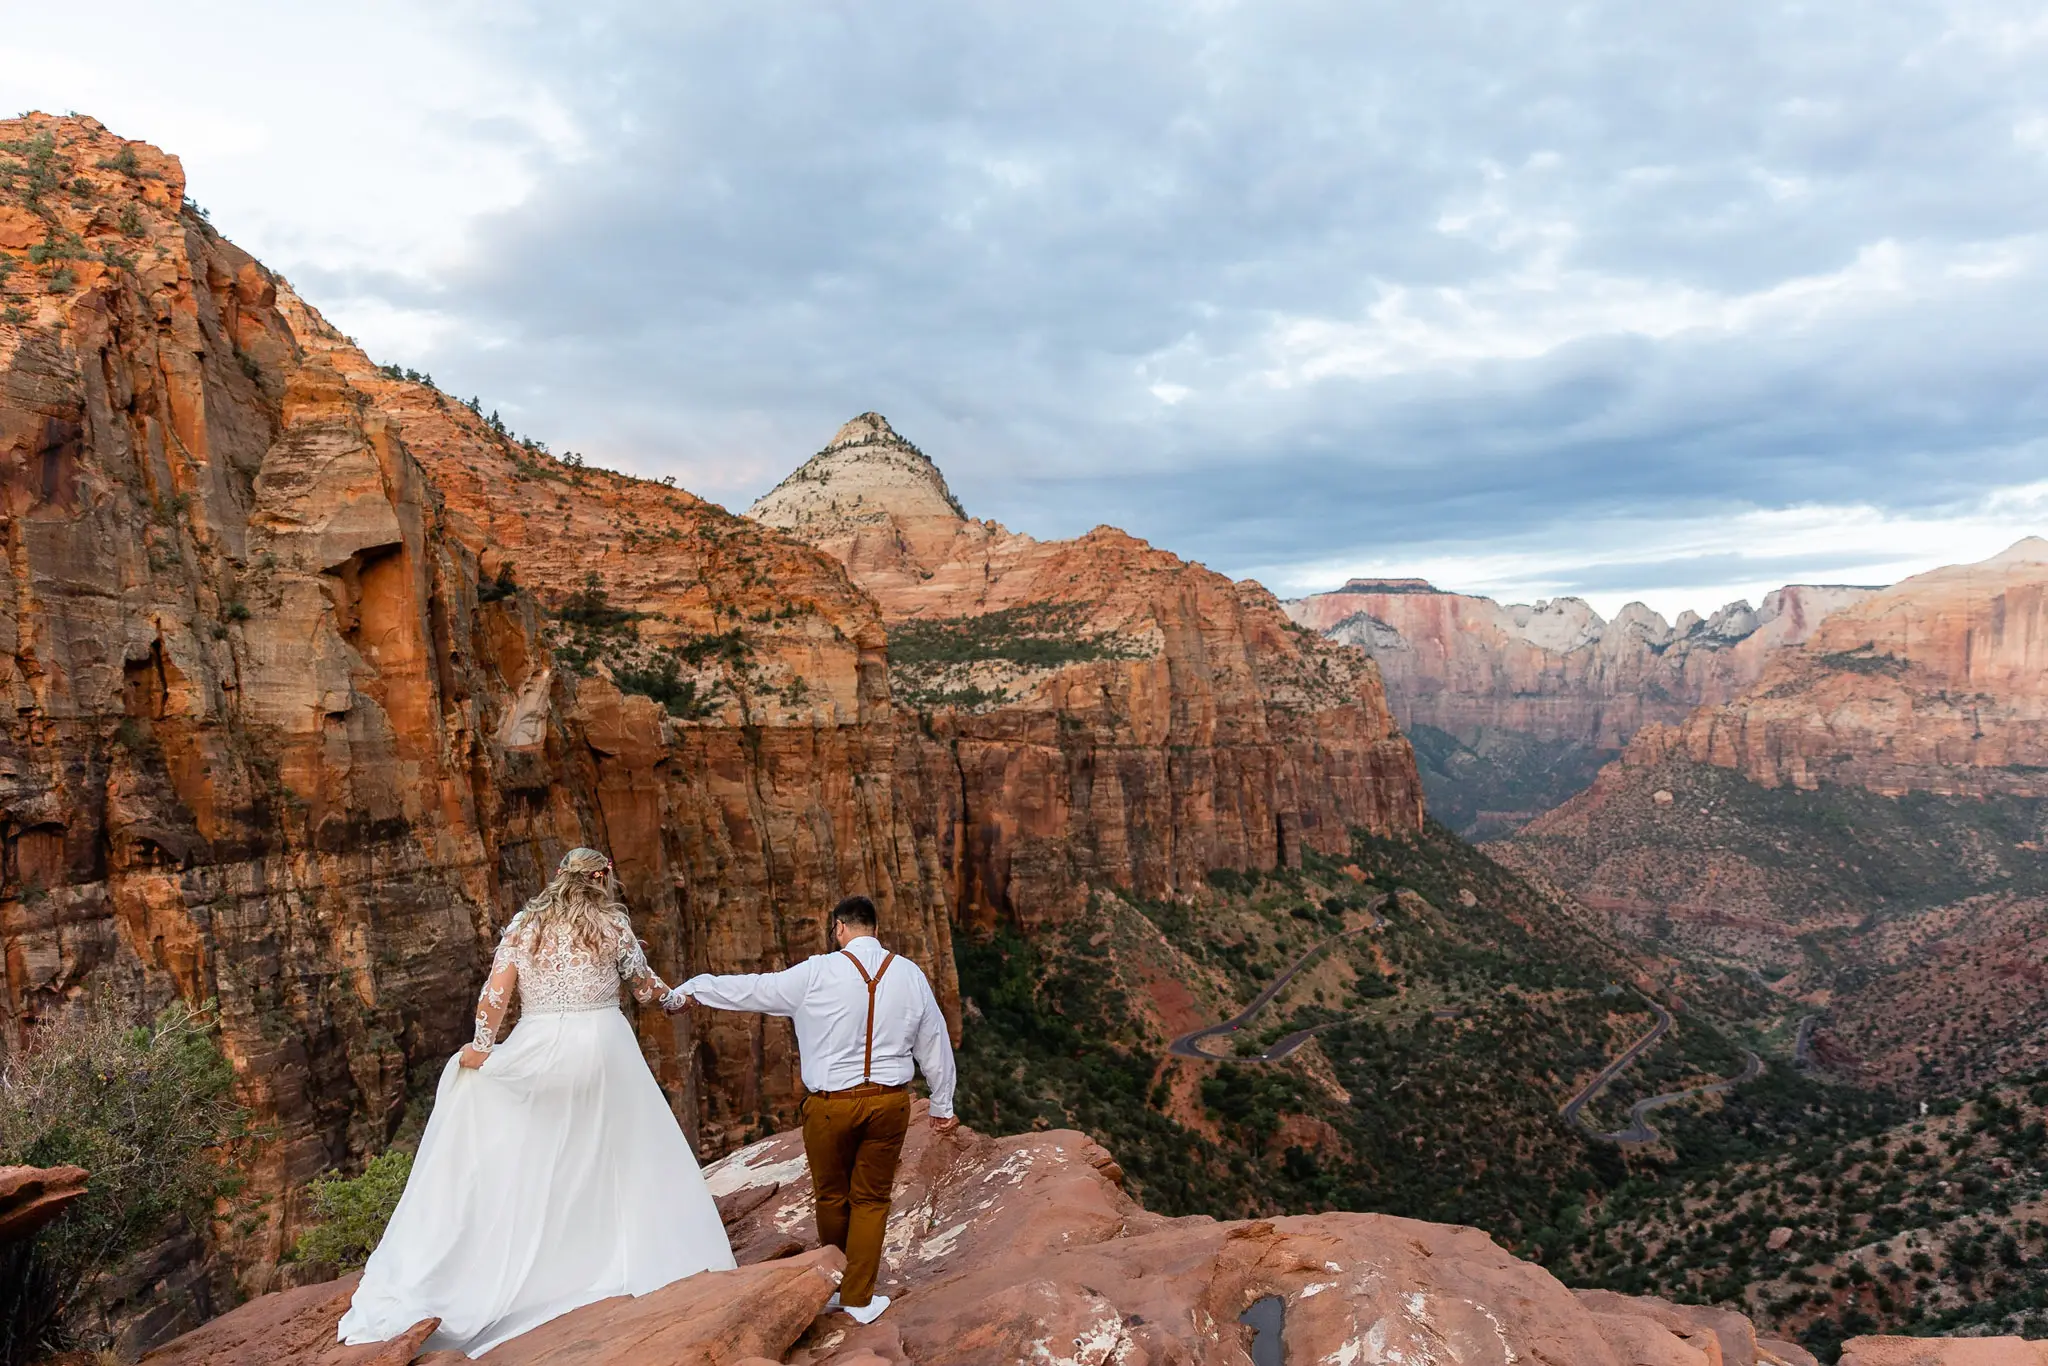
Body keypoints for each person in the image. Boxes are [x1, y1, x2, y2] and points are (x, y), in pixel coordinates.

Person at [338, 848, 734, 1358]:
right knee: (619, 1154)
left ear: (558, 879)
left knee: (543, 1153)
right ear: (600, 881)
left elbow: (496, 992)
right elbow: (644, 991)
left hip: (541, 1046)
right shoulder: (613, 926)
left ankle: (546, 1262)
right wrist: (679, 998)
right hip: (605, 1049)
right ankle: (606, 1256)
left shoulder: (525, 927)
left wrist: (482, 1047)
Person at [667, 894, 957, 1325]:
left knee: (831, 1197)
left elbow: (753, 988)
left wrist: (696, 988)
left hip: (829, 1107)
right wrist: (942, 1103)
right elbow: (934, 1040)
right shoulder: (910, 974)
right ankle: (859, 1299)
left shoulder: (816, 972)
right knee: (872, 1199)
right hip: (889, 1103)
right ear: (874, 929)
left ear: (839, 928)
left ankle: (836, 1285)